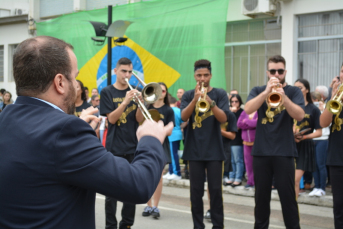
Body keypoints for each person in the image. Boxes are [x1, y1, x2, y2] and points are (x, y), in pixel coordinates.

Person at [0, 36, 173, 229]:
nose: (76, 84)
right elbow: (137, 186)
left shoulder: (6, 118)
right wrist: (151, 140)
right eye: (74, 77)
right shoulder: (65, 132)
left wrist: (69, 128)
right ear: (59, 82)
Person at [244, 55, 304, 229]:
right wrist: (266, 92)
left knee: (288, 200)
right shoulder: (258, 90)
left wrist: (283, 97)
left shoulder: (293, 92)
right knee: (261, 200)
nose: (276, 74)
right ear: (267, 72)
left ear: (285, 72)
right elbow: (248, 109)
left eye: (279, 71)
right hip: (261, 153)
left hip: (284, 152)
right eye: (272, 71)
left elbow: (300, 115)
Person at [181, 59, 229, 229]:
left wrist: (210, 102)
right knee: (196, 193)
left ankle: (218, 226)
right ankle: (198, 226)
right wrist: (195, 100)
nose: (202, 78)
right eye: (199, 75)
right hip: (194, 150)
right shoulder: (188, 95)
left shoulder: (220, 94)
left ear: (211, 75)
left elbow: (224, 119)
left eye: (206, 75)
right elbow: (184, 117)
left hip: (215, 150)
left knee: (216, 191)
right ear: (194, 76)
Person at [100, 57, 144, 229]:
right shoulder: (107, 92)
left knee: (131, 190)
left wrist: (140, 104)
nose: (127, 75)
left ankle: (126, 225)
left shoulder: (137, 91)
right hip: (114, 147)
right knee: (111, 192)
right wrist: (125, 102)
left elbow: (139, 119)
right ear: (115, 71)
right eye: (123, 71)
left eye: (130, 72)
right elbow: (111, 119)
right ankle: (110, 226)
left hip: (132, 147)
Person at [142, 82, 175, 219]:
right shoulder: (147, 107)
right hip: (147, 143)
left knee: (159, 177)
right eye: (159, 90)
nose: (161, 93)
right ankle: (148, 205)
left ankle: (156, 206)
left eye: (163, 91)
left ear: (166, 93)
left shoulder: (168, 110)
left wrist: (159, 128)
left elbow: (170, 131)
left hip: (161, 145)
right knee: (146, 175)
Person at [320, 63, 343, 229]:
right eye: (342, 70)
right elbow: (323, 123)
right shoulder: (336, 97)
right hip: (337, 158)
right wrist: (333, 97)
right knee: (339, 206)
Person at [293, 79, 322, 198]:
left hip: (304, 146)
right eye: (295, 88)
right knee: (289, 182)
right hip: (290, 145)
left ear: (307, 90)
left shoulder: (313, 109)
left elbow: (319, 132)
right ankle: (291, 207)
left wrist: (303, 136)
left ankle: (292, 209)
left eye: (300, 87)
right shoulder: (291, 105)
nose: (297, 90)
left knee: (295, 180)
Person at [309, 90, 329, 197]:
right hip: (313, 138)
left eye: (316, 100)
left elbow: (326, 124)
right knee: (314, 165)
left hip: (323, 138)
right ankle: (316, 186)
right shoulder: (311, 109)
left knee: (321, 164)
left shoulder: (326, 107)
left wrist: (322, 110)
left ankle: (322, 188)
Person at [163, 96, 187, 180]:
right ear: (176, 103)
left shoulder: (168, 111)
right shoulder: (178, 110)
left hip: (171, 135)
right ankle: (171, 172)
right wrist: (180, 128)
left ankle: (176, 173)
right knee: (172, 154)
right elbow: (184, 122)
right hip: (177, 134)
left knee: (173, 154)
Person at [237, 108, 258, 189]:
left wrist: (245, 121)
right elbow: (239, 124)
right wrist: (251, 124)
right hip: (246, 142)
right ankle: (250, 181)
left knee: (256, 163)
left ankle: (256, 181)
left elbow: (257, 123)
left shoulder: (259, 111)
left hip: (256, 142)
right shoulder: (244, 112)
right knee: (248, 163)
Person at [227, 94, 244, 187]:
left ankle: (238, 178)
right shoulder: (229, 112)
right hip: (229, 138)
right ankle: (231, 177)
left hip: (238, 139)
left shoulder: (242, 112)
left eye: (236, 101)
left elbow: (238, 125)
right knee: (231, 160)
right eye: (232, 101)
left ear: (240, 102)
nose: (234, 103)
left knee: (238, 160)